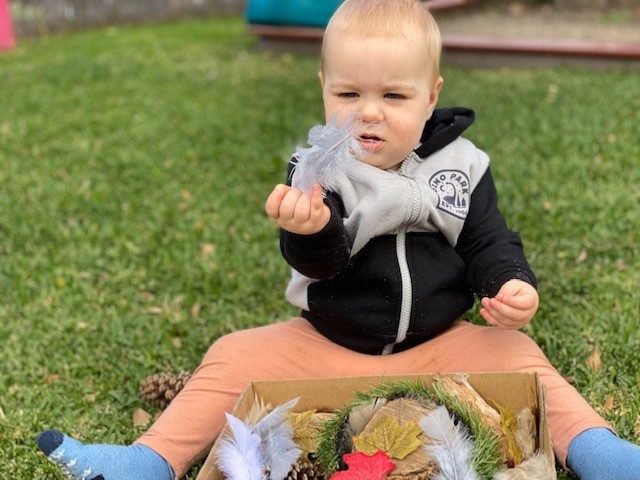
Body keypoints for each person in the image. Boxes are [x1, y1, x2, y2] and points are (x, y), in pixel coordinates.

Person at [37, 1, 640, 479]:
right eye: (349, 95)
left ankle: (602, 454)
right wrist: (311, 229)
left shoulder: (463, 165)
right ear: (325, 86)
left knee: (519, 358)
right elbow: (322, 262)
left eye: (394, 96)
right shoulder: (322, 168)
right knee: (232, 355)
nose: (368, 113)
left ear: (431, 94)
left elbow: (488, 240)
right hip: (324, 342)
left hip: (439, 346)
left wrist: (510, 283)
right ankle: (148, 460)